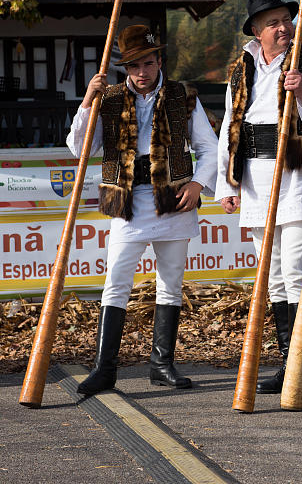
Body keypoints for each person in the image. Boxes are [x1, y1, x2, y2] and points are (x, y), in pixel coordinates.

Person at [66, 25, 218, 395]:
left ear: (159, 60)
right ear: (125, 69)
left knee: (170, 283)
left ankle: (161, 364)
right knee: (116, 284)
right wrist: (88, 100)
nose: (142, 72)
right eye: (134, 66)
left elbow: (210, 148)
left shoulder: (184, 96)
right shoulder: (111, 98)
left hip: (174, 198)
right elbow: (77, 147)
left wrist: (198, 184)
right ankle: (105, 369)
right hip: (128, 200)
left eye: (148, 63)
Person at [215, 0, 302, 402]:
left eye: (286, 19)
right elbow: (230, 126)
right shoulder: (242, 67)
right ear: (255, 30)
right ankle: (289, 365)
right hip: (255, 177)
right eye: (272, 22)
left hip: (299, 177)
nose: (283, 27)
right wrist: (226, 184)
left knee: (294, 272)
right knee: (271, 279)